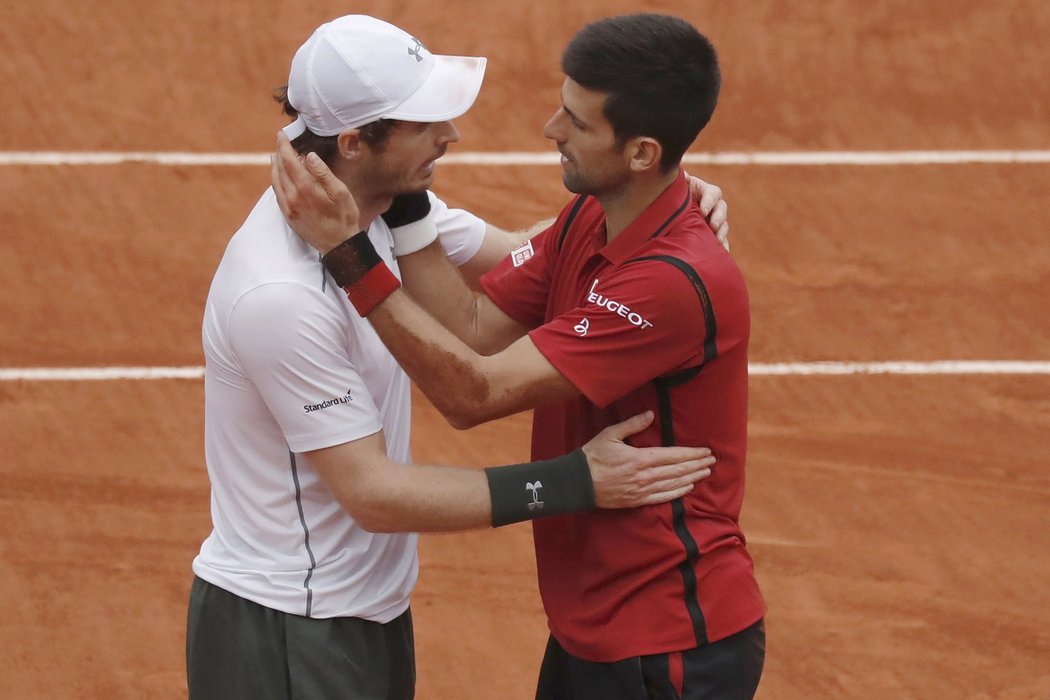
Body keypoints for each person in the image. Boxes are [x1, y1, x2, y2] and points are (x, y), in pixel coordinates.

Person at [187, 14, 731, 700]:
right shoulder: (280, 293)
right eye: (426, 122)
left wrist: (662, 195)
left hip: (364, 611)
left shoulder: (384, 205)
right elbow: (372, 493)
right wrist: (572, 482)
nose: (452, 133)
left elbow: (543, 255)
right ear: (355, 141)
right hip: (289, 629)